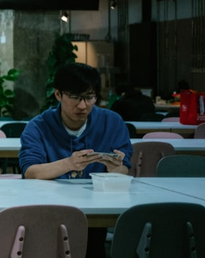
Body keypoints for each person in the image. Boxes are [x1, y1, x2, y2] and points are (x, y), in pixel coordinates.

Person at [20, 62, 132, 258]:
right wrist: (69, 163)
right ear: (58, 94)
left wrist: (116, 169)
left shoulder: (112, 122)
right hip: (49, 212)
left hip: (96, 213)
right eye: (75, 97)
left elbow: (125, 171)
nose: (83, 106)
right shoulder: (38, 127)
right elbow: (30, 172)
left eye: (89, 97)